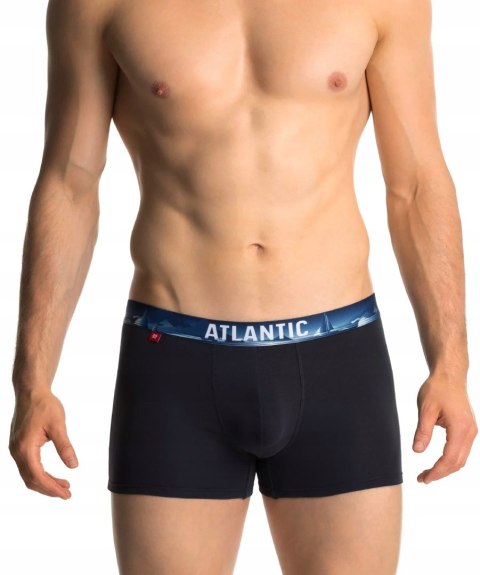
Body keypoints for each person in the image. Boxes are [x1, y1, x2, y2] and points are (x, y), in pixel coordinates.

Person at [8, 0, 477, 573]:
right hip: (174, 361)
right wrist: (32, 381)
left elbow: (417, 183)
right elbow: (70, 183)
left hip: (338, 359)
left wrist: (450, 365)